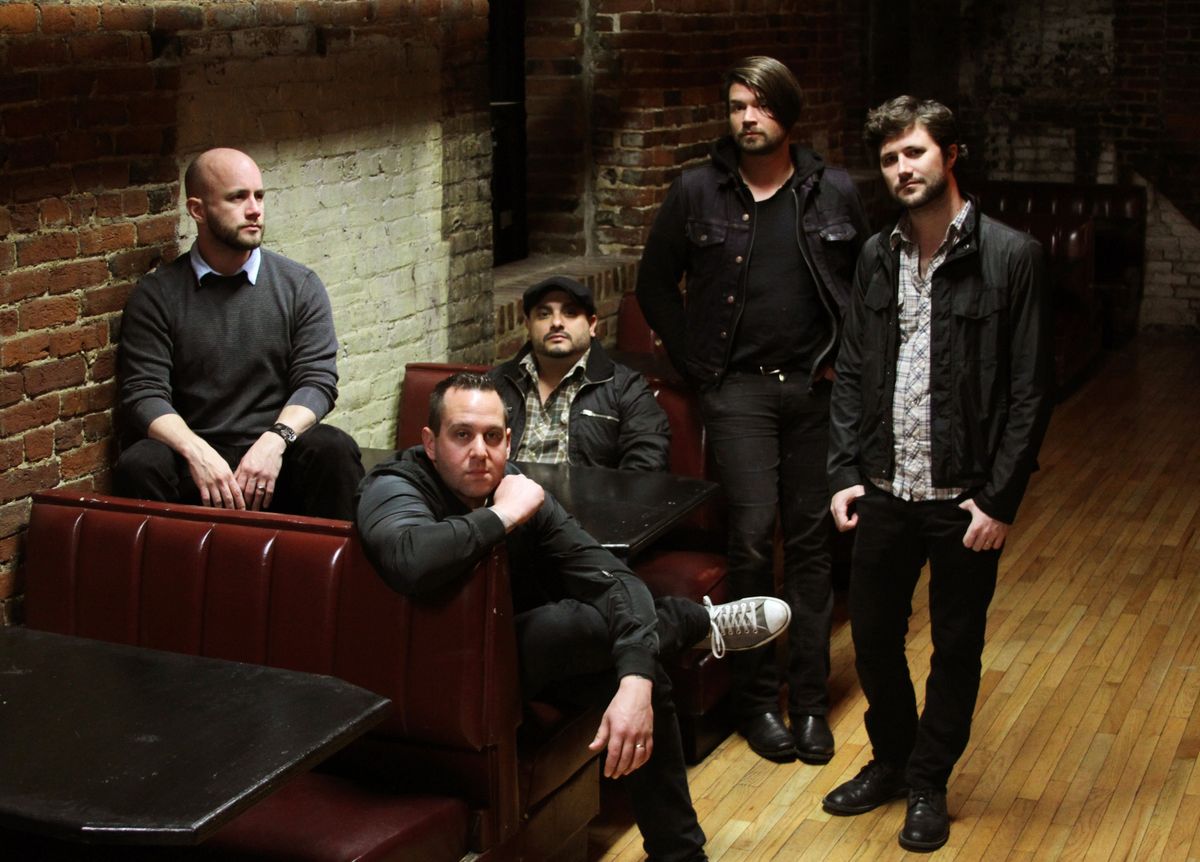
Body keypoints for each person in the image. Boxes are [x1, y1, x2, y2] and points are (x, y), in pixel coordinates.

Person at [356, 372, 791, 862]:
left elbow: (613, 579)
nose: (480, 451)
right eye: (462, 435)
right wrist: (504, 515)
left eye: (493, 436)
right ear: (431, 442)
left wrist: (636, 680)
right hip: (430, 674)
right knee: (567, 625)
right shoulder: (396, 485)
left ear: (509, 441)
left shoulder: (516, 488)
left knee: (643, 675)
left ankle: (681, 857)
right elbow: (410, 559)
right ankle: (688, 622)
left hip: (513, 666)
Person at [822, 96, 1054, 852]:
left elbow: (1030, 390)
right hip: (886, 487)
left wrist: (1000, 500)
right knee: (873, 639)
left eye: (914, 152)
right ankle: (893, 759)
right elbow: (853, 367)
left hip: (965, 499)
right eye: (889, 158)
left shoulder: (1012, 256)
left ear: (951, 155)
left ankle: (928, 781)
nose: (901, 168)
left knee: (956, 646)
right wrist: (844, 471)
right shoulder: (876, 255)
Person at [636, 56, 869, 764]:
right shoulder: (696, 191)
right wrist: (697, 367)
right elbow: (654, 284)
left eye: (760, 106)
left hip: (815, 389)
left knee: (811, 544)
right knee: (750, 539)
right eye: (737, 105)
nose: (747, 118)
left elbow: (866, 287)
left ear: (786, 114)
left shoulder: (833, 191)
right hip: (736, 390)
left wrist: (846, 363)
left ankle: (810, 705)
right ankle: (757, 702)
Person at [115, 147, 363, 520]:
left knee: (334, 449)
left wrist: (276, 440)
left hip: (275, 454)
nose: (254, 210)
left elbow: (317, 381)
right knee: (139, 464)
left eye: (259, 196)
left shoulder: (299, 285)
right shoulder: (158, 294)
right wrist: (196, 451)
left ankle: (330, 561)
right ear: (197, 210)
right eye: (237, 198)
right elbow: (143, 393)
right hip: (196, 460)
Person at [491, 275, 670, 471]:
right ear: (528, 325)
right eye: (544, 314)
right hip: (504, 490)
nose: (556, 322)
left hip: (589, 492)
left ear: (592, 325)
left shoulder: (626, 388)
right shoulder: (495, 384)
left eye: (570, 312)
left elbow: (647, 463)